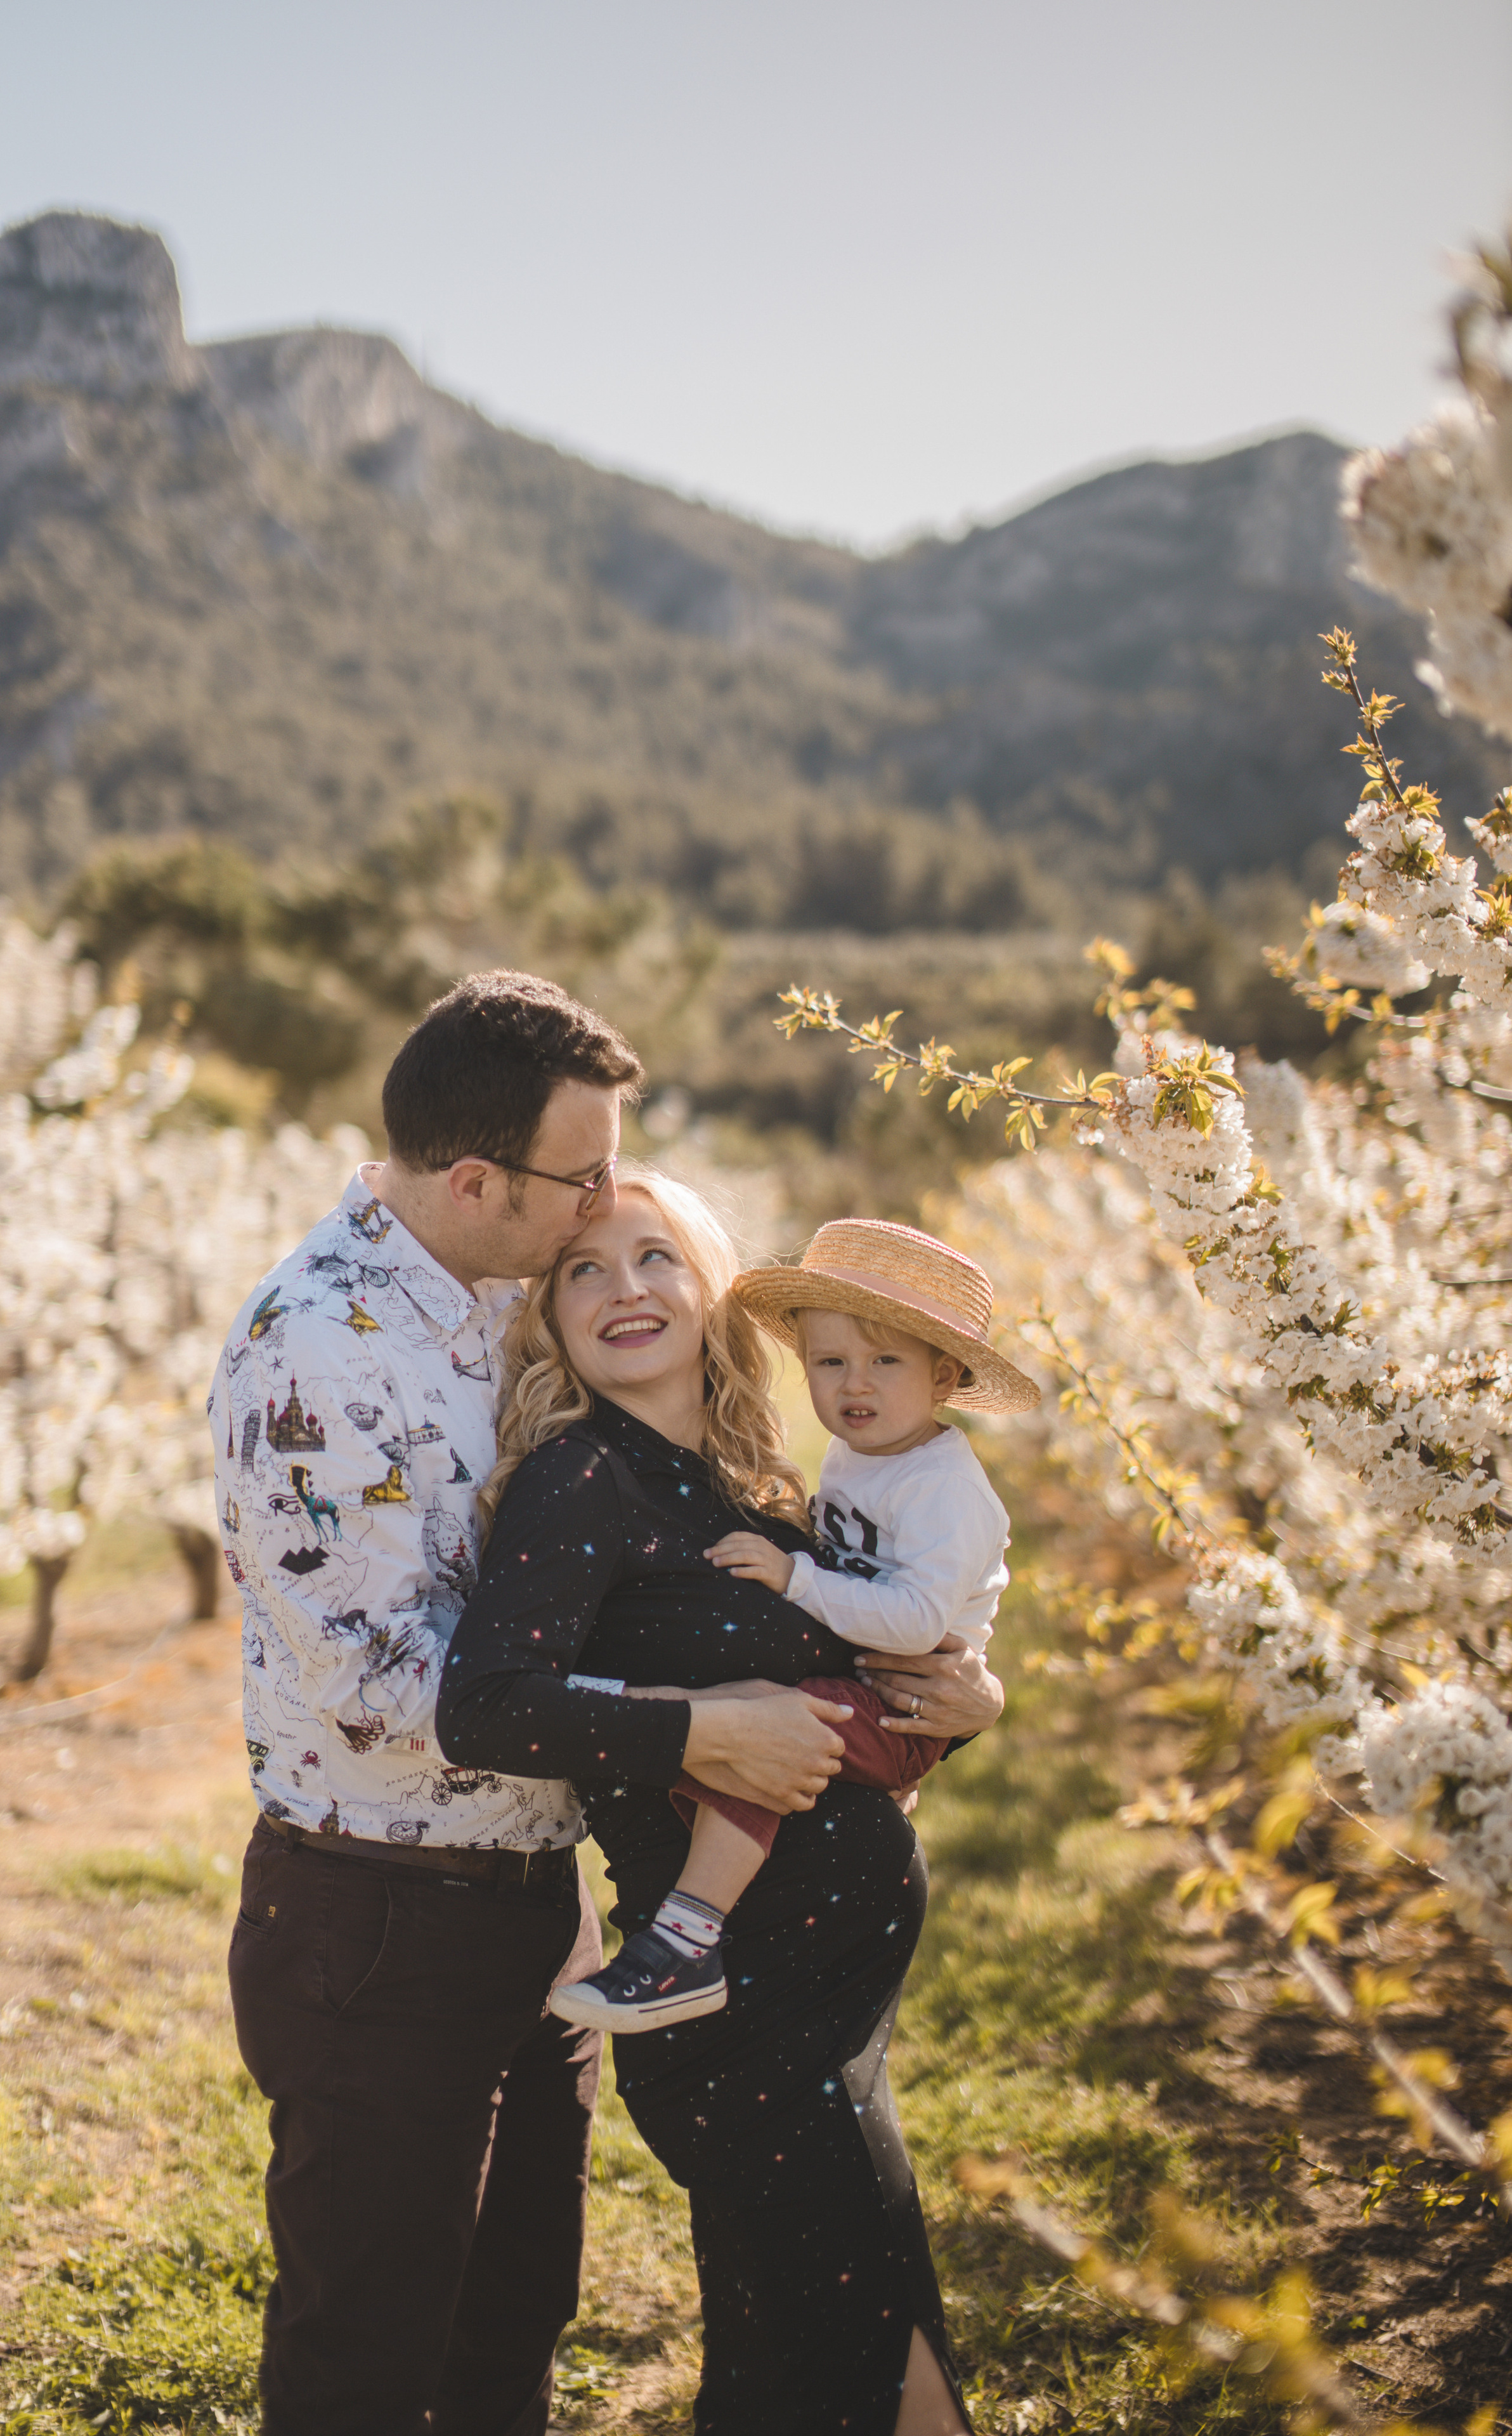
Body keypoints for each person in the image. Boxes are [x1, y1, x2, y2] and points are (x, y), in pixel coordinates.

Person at [211, 971, 863, 2436]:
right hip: (381, 1920)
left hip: (531, 1897)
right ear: (472, 1179)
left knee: (510, 2326)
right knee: (366, 2359)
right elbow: (388, 1686)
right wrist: (694, 1734)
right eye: (586, 1178)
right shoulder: (318, 1351)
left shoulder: (495, 1282)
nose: (608, 1205)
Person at [438, 1170, 1009, 2436]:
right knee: (842, 2334)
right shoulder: (582, 1478)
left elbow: (850, 1701)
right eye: (582, 1268)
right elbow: (484, 1706)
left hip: (827, 1995)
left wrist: (969, 1710)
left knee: (817, 2323)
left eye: (652, 1257)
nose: (622, 1287)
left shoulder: (755, 1484)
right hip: (728, 1995)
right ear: (550, 1315)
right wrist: (700, 1731)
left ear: (707, 1293)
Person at [551, 1217, 1038, 2033]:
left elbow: (917, 1622)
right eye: (830, 1362)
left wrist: (795, 1576)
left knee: (759, 1731)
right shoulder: (865, 1453)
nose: (856, 1385)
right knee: (739, 1726)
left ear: (944, 1374)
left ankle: (684, 1941)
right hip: (871, 1687)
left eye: (887, 1361)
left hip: (901, 1698)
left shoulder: (945, 1492)